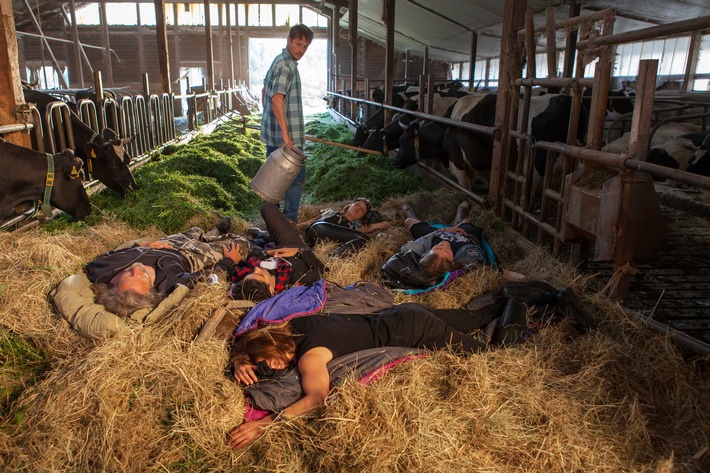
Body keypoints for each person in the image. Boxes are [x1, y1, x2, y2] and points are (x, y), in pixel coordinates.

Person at [225, 299, 525, 450]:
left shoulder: (311, 358)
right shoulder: (298, 324)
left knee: (496, 355)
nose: (272, 368)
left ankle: (518, 303)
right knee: (476, 317)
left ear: (274, 347)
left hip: (415, 330)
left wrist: (265, 425)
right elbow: (248, 333)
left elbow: (317, 398)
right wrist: (241, 359)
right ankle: (511, 298)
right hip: (402, 312)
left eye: (267, 361)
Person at [86, 220, 249, 317]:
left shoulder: (101, 270)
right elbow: (204, 277)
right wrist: (229, 261)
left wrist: (144, 245)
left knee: (194, 231)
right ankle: (220, 236)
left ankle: (215, 231)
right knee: (241, 244)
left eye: (128, 273)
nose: (136, 268)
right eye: (142, 275)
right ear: (151, 289)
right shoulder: (168, 285)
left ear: (114, 282)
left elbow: (109, 254)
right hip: (191, 256)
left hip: (166, 244)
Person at [388, 201, 523, 284]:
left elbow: (404, 251)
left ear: (427, 252)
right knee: (467, 223)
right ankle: (460, 215)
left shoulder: (420, 249)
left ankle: (408, 212)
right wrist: (521, 278)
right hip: (465, 236)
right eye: (446, 251)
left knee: (409, 222)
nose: (444, 245)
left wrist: (444, 230)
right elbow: (498, 271)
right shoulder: (467, 261)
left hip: (436, 233)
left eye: (438, 248)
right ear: (453, 261)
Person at [261, 24, 314, 224]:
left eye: (305, 46)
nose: (301, 49)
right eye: (298, 43)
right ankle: (288, 220)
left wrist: (269, 117)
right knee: (296, 177)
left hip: (273, 133)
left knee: (274, 178)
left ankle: (272, 218)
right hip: (286, 136)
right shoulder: (287, 65)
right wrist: (285, 133)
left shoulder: (279, 60)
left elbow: (265, 90)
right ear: (289, 40)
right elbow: (276, 98)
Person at [228, 202, 326, 302]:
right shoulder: (296, 280)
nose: (257, 269)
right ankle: (264, 237)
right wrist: (299, 251)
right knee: (268, 208)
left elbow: (227, 268)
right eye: (260, 275)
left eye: (253, 272)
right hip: (291, 246)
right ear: (271, 290)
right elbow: (323, 270)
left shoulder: (247, 280)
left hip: (264, 252)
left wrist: (268, 252)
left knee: (266, 208)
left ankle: (263, 237)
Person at [300, 198, 390, 256]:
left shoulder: (357, 227)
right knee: (317, 226)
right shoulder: (332, 212)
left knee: (364, 239)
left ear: (362, 217)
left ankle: (332, 256)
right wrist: (294, 227)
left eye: (362, 210)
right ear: (350, 205)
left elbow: (383, 224)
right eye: (357, 205)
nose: (358, 209)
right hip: (318, 230)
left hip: (327, 244)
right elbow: (312, 221)